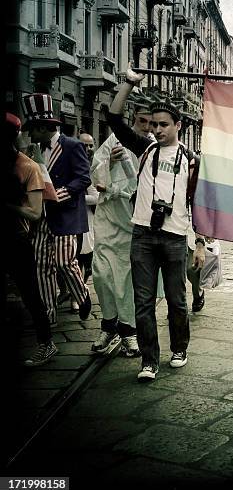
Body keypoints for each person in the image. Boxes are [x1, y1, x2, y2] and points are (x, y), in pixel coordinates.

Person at [108, 65, 207, 382]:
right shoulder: (145, 148)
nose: (158, 130)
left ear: (178, 125)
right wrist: (128, 83)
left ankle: (180, 349)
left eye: (165, 125)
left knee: (177, 301)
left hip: (176, 237)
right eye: (154, 125)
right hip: (143, 236)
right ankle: (149, 361)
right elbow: (114, 119)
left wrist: (201, 243)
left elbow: (198, 205)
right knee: (143, 302)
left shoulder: (191, 161)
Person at [89, 104, 154, 357]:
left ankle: (128, 331)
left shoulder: (150, 147)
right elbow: (96, 174)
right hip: (108, 216)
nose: (147, 127)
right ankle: (108, 325)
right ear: (132, 119)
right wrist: (109, 162)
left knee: (125, 280)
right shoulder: (113, 141)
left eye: (151, 122)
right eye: (142, 121)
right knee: (102, 274)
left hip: (131, 221)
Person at [23, 93, 92, 324]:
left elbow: (83, 179)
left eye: (32, 129)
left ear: (42, 127)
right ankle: (48, 317)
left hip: (66, 214)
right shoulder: (34, 150)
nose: (29, 134)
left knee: (64, 262)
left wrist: (56, 195)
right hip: (41, 217)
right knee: (42, 266)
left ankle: (82, 295)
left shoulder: (72, 146)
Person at [3, 113, 58, 366]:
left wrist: (8, 206)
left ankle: (46, 343)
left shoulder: (28, 167)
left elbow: (35, 213)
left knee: (30, 293)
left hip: (15, 238)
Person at [77, 133, 98, 290]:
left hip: (88, 216)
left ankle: (80, 289)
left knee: (85, 255)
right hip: (71, 216)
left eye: (91, 145)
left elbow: (96, 197)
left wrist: (75, 198)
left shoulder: (95, 165)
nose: (88, 149)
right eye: (85, 145)